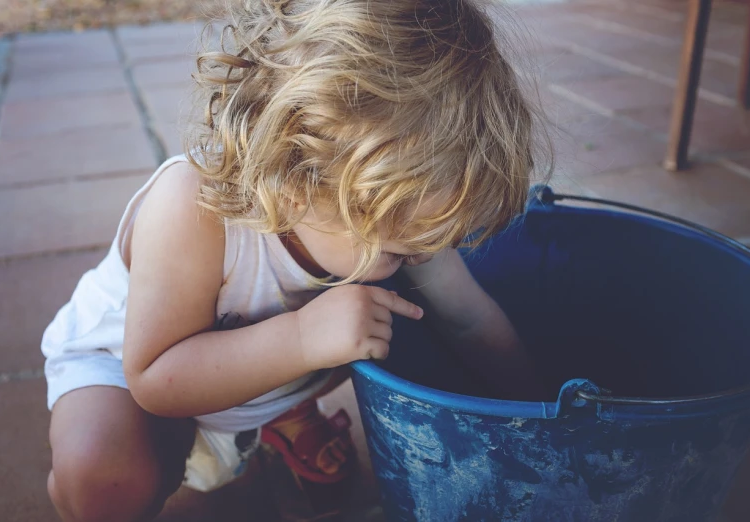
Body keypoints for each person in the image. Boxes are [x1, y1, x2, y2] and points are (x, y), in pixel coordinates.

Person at [41, 0, 546, 520]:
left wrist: (539, 414)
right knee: (109, 480)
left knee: (398, 332)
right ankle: (262, 420)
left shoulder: (396, 213)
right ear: (293, 181)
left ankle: (282, 414)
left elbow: (469, 319)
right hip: (137, 373)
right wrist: (303, 339)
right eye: (401, 247)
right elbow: (155, 378)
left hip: (265, 378)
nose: (423, 255)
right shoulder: (192, 208)